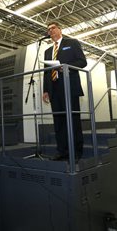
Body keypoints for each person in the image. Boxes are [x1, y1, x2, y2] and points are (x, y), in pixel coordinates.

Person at [42, 22, 87, 161]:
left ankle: (76, 152)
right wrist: (45, 90)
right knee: (59, 122)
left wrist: (66, 67)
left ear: (60, 29)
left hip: (69, 87)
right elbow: (46, 72)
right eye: (49, 30)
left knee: (73, 120)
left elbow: (82, 61)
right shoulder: (47, 51)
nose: (51, 31)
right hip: (54, 89)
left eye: (53, 28)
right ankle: (62, 151)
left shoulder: (71, 43)